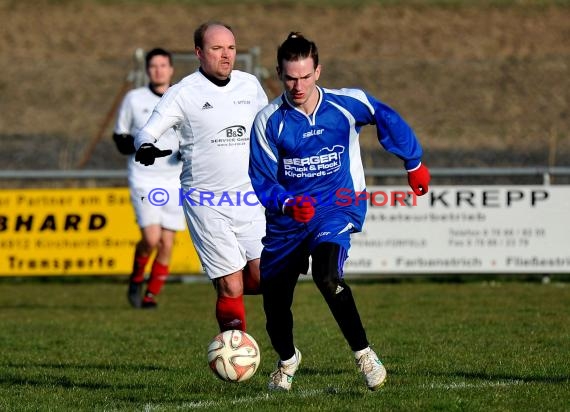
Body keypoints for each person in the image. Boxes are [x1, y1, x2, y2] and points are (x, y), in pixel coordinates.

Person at [248, 32, 431, 391]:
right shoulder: (268, 121)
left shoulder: (347, 104)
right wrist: (286, 203)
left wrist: (413, 162)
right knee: (275, 308)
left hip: (337, 206)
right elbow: (261, 178)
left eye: (304, 76)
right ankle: (287, 360)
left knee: (327, 276)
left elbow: (385, 115)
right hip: (288, 221)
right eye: (289, 77)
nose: (297, 85)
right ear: (279, 74)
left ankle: (364, 355)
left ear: (318, 70)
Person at [134, 22, 268, 331]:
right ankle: (233, 348)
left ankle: (226, 284)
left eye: (231, 48)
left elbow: (269, 127)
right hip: (205, 201)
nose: (226, 56)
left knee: (267, 277)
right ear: (198, 53)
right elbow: (148, 130)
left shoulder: (250, 85)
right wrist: (145, 145)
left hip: (249, 197)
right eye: (217, 48)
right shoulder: (182, 93)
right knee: (232, 286)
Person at [112, 47, 186, 309]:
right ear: (147, 70)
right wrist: (142, 146)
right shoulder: (134, 99)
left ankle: (150, 295)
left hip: (175, 179)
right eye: (153, 66)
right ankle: (136, 278)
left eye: (163, 65)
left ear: (171, 69)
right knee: (152, 239)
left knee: (167, 242)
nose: (159, 70)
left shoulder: (182, 98)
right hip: (144, 178)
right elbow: (120, 138)